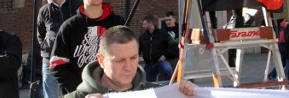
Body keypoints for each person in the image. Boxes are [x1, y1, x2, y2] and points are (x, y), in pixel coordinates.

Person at [64, 26, 195, 98]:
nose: (129, 67)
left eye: (133, 58)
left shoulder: (156, 94)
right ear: (101, 61)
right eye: (120, 60)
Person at [50, 0, 125, 94]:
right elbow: (57, 65)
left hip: (113, 92)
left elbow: (128, 58)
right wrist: (82, 90)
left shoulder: (118, 24)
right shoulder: (69, 27)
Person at [37, 0, 82, 98]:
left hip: (72, 58)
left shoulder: (79, 6)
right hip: (50, 59)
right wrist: (46, 48)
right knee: (50, 94)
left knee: (73, 93)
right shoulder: (44, 10)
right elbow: (40, 33)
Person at [138, 14, 173, 82]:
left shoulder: (162, 33)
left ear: (150, 23)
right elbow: (139, 50)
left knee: (168, 69)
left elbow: (170, 46)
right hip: (149, 64)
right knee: (149, 83)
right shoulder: (142, 37)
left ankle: (169, 85)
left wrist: (165, 55)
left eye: (145, 24)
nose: (143, 26)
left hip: (160, 62)